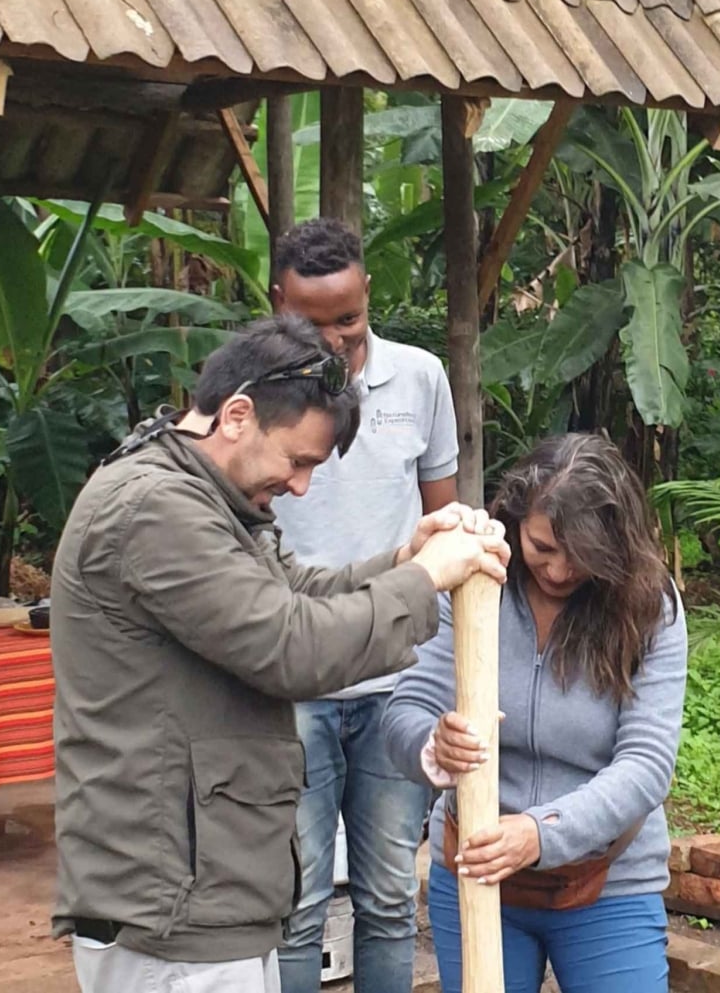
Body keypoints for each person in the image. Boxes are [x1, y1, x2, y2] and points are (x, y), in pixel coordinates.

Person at [50, 314, 509, 993]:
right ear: (237, 415)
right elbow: (290, 644)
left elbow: (293, 591)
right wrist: (424, 580)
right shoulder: (154, 509)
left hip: (207, 890)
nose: (300, 487)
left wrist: (406, 557)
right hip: (170, 909)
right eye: (297, 462)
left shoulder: (203, 494)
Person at [382, 434, 688, 993]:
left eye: (584, 556)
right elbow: (407, 708)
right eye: (542, 547)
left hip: (607, 881)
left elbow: (646, 765)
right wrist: (433, 745)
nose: (560, 570)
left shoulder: (650, 606)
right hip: (476, 877)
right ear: (515, 520)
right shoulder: (470, 581)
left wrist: (540, 833)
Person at [268, 219, 460, 993]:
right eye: (311, 323)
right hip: (293, 683)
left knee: (386, 895)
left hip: (395, 686)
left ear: (368, 296)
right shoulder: (254, 399)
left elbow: (440, 528)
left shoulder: (420, 379)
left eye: (348, 319)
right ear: (276, 303)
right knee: (296, 902)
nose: (335, 340)